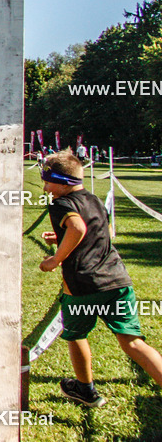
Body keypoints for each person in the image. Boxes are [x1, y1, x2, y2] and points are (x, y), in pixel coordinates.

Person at [39, 148, 162, 407]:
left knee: (75, 335)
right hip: (117, 280)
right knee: (133, 343)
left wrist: (55, 259)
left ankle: (86, 390)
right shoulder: (94, 199)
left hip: (83, 287)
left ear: (61, 182)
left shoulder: (60, 204)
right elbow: (97, 232)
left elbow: (78, 227)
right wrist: (61, 240)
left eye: (47, 181)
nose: (45, 187)